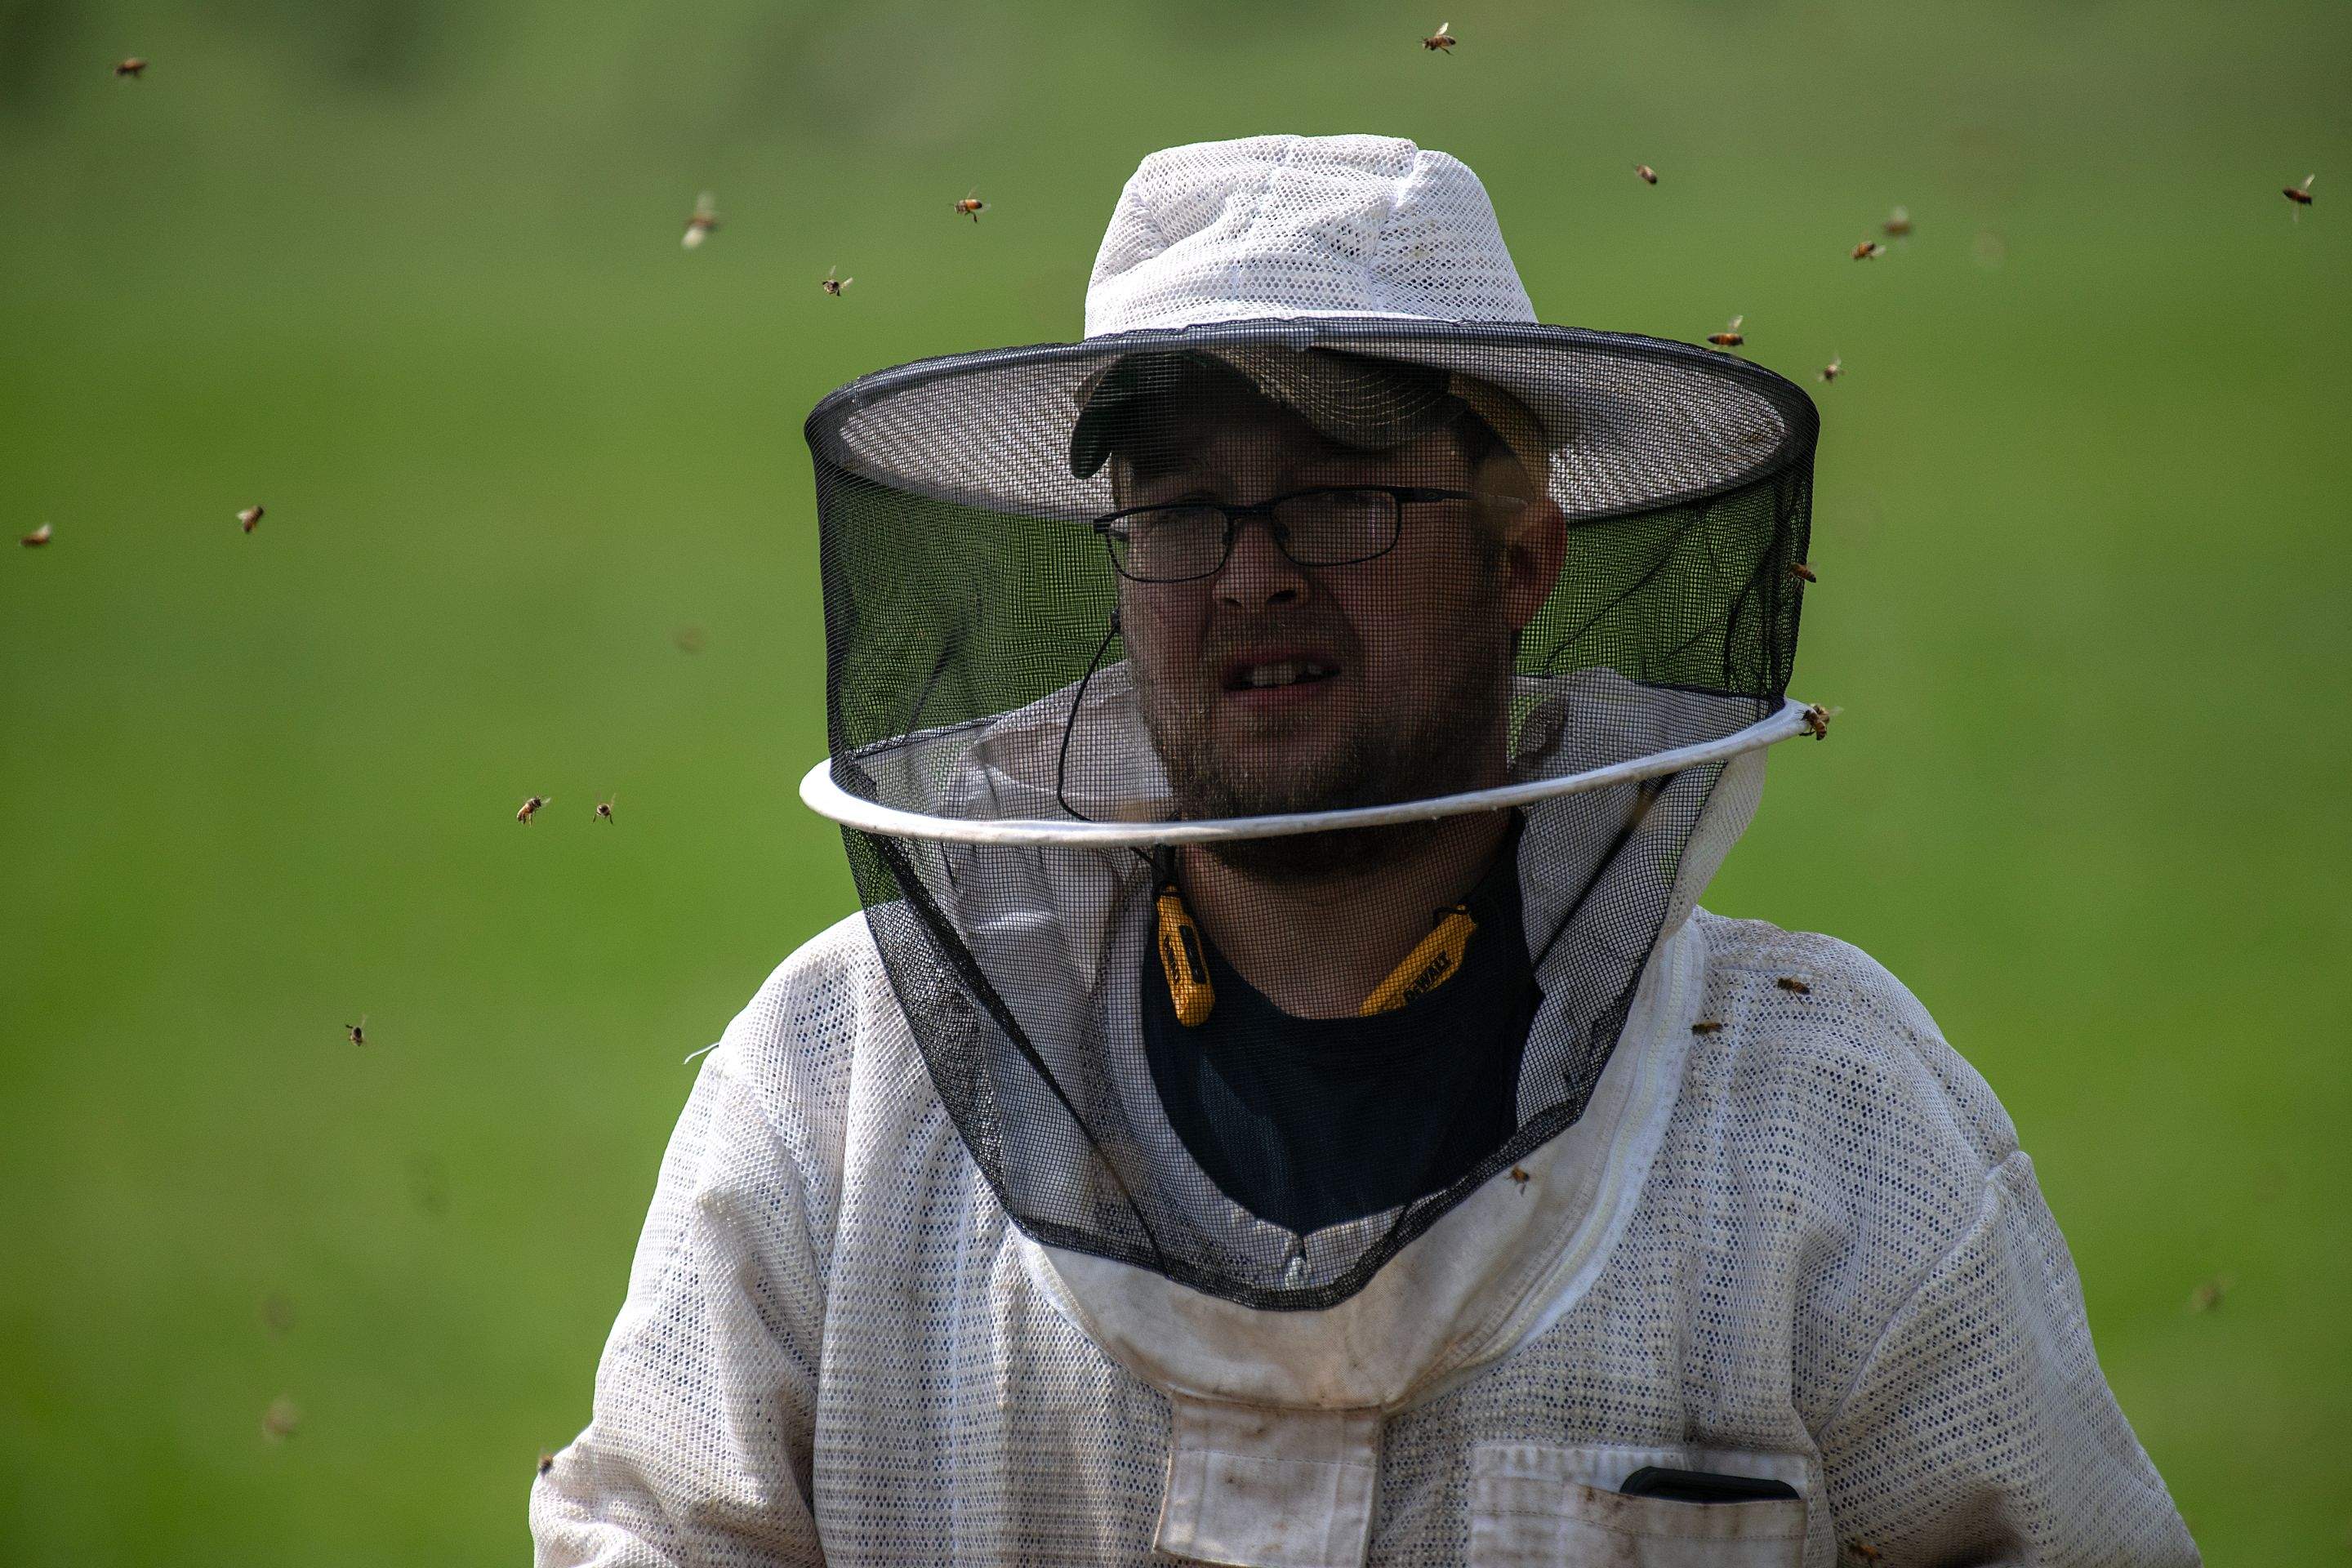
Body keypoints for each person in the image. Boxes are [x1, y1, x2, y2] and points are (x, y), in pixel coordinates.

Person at [533, 135, 2196, 1567]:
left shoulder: (1825, 1127)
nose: (1250, 575)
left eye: (1338, 495)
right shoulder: (844, 1091)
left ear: (1521, 556)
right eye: (1181, 512)